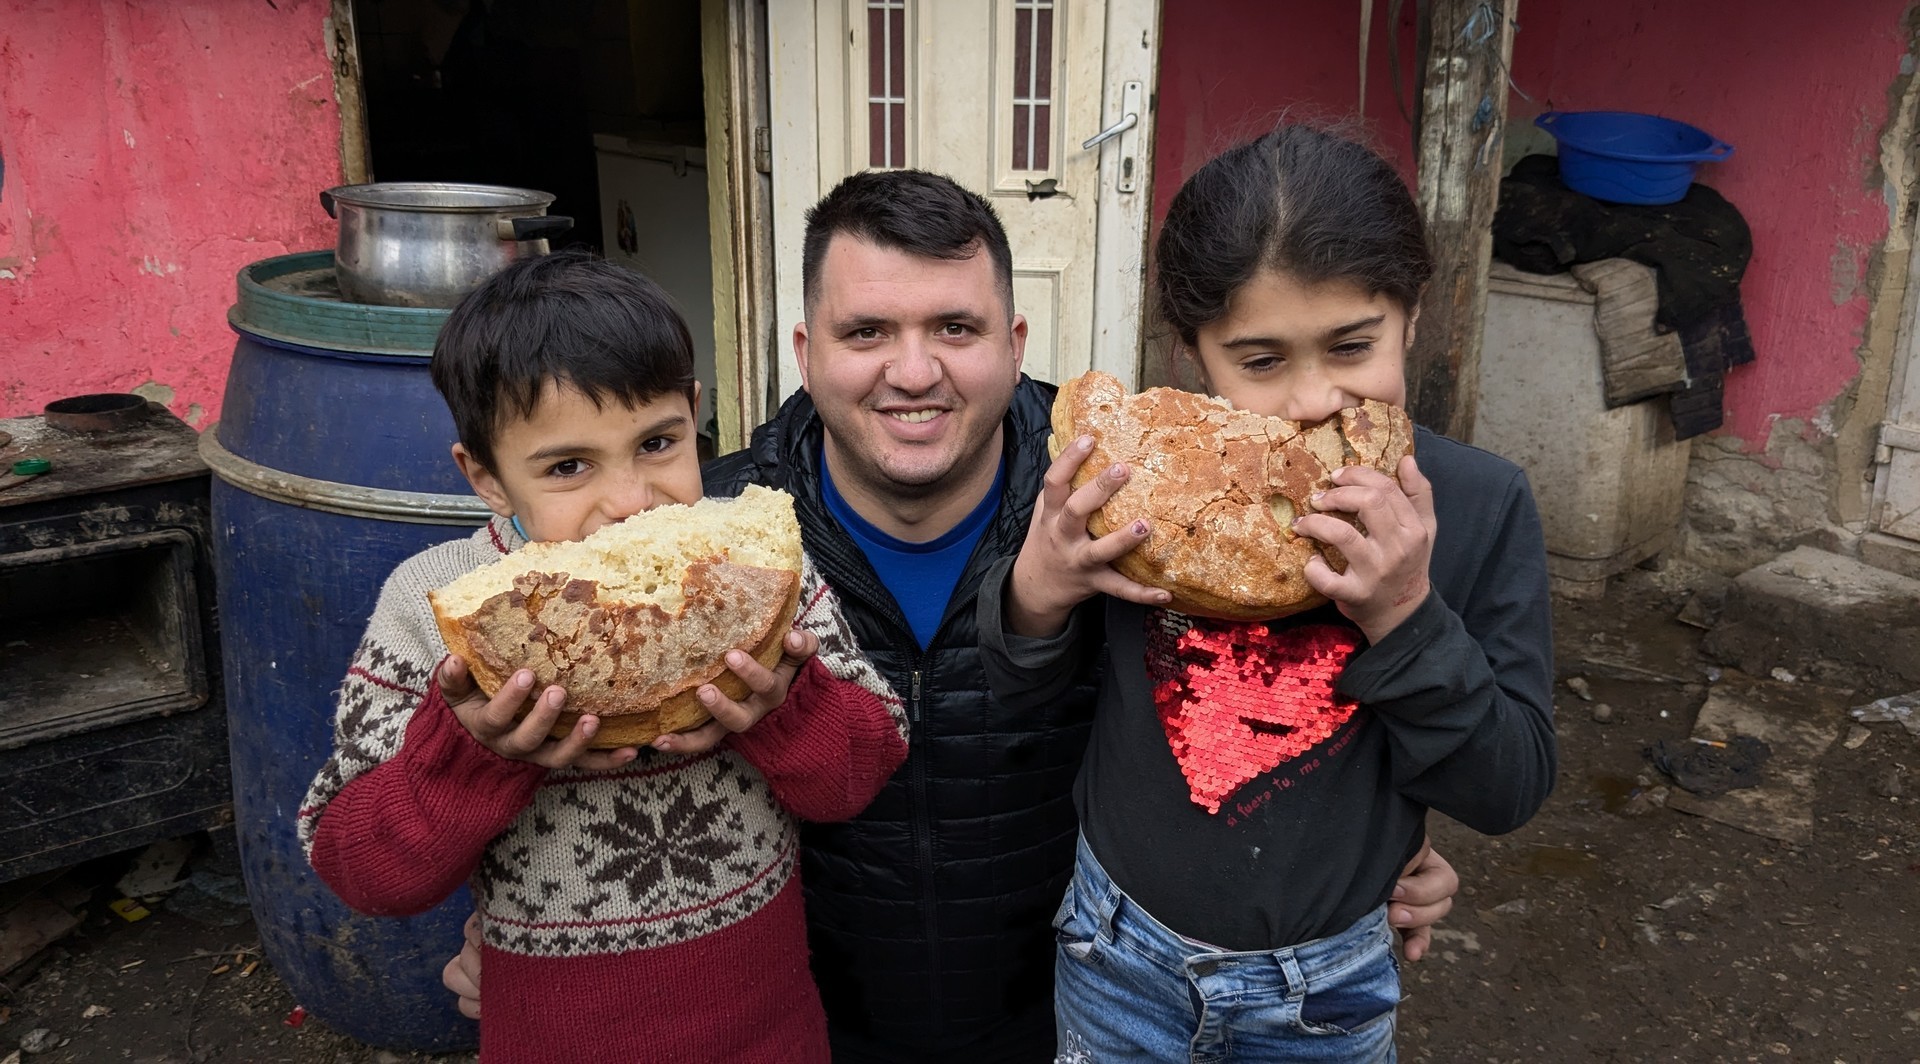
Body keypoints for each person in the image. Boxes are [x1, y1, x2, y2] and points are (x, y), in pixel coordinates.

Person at [444, 170, 1466, 1062]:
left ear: (1015, 343)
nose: (915, 369)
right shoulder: (710, 552)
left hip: (1076, 1014)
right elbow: (579, 750)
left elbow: (1249, 707)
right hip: (807, 1025)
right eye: (868, 332)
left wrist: (1365, 847)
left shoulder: (1130, 515)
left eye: (956, 328)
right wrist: (518, 926)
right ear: (807, 349)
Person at [979, 124, 1558, 1062]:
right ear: (1193, 357)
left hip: (1327, 997)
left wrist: (1406, 616)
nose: (1312, 398)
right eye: (1260, 361)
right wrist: (1038, 591)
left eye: (1352, 346)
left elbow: (1508, 786)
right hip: (1118, 960)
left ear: (1411, 317)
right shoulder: (1139, 495)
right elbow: (1021, 701)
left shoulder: (1478, 509)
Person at [298, 251, 909, 1064]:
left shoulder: (760, 565)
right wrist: (471, 754)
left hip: (772, 1037)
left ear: (695, 414)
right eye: (568, 466)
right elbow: (362, 871)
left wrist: (787, 707)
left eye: (658, 442)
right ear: (484, 475)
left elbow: (863, 773)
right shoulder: (437, 604)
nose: (628, 502)